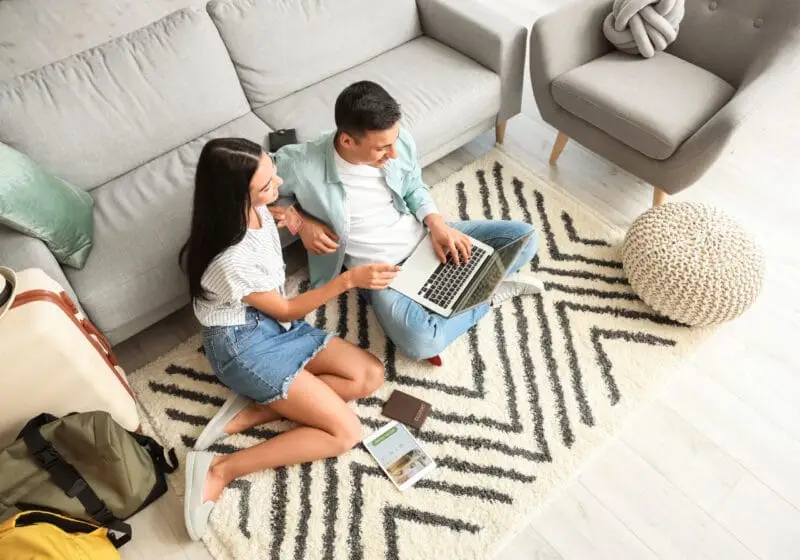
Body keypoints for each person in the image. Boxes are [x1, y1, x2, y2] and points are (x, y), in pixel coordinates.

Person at [179, 138, 400, 541]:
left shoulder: (257, 207)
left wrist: (300, 222)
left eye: (272, 173)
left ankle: (257, 411)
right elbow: (285, 311)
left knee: (369, 375)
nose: (277, 184)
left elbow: (279, 213)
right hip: (242, 344)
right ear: (235, 197)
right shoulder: (231, 258)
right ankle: (219, 469)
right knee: (345, 434)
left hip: (269, 322)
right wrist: (348, 280)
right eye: (266, 185)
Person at [270, 81, 543, 362]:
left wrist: (437, 224)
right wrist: (299, 223)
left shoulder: (397, 140)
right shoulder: (302, 164)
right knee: (421, 343)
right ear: (347, 141)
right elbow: (246, 186)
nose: (394, 153)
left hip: (425, 239)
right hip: (382, 274)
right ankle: (491, 295)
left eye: (394, 141)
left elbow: (413, 186)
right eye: (382, 148)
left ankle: (458, 295)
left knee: (525, 239)